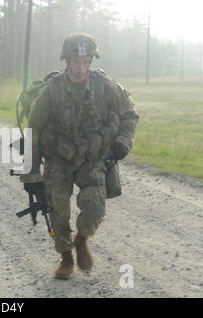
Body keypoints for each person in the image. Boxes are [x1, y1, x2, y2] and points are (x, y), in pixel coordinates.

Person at [20, 32, 139, 279]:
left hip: (92, 158)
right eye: (75, 61)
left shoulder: (105, 86)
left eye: (85, 62)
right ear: (66, 60)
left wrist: (122, 142)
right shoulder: (51, 90)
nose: (80, 68)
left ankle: (81, 239)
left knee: (95, 206)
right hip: (58, 160)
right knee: (58, 211)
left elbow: (130, 116)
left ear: (91, 61)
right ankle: (65, 257)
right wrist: (31, 175)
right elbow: (34, 130)